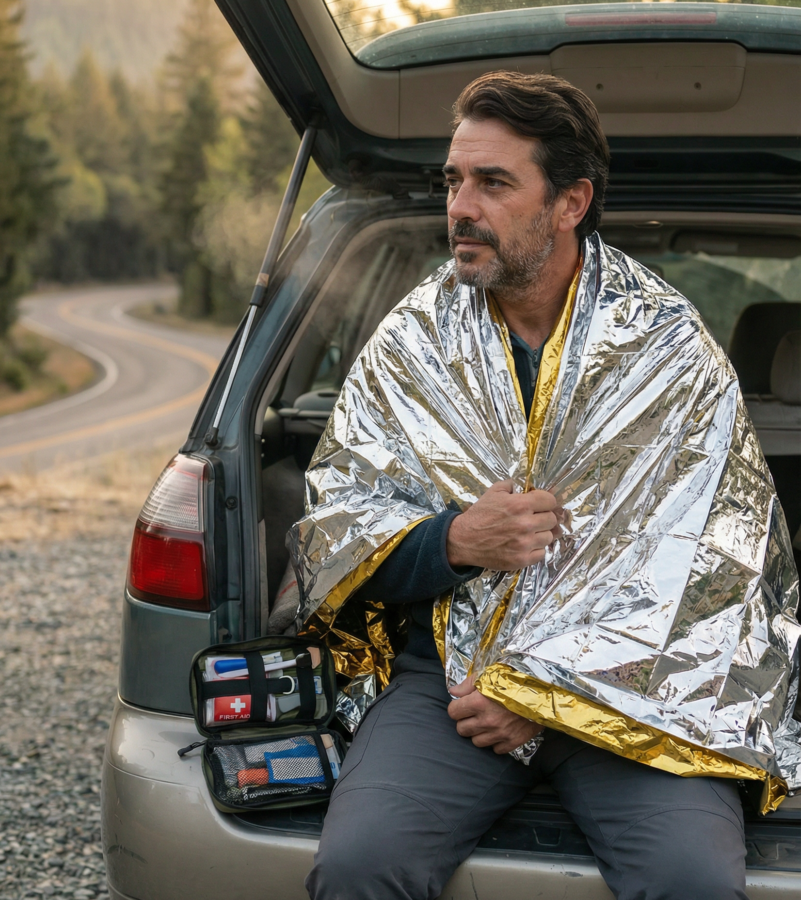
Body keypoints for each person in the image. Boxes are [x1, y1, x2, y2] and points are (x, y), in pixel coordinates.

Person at [289, 71, 799, 900]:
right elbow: (335, 532)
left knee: (694, 882)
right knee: (357, 868)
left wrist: (543, 697)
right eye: (453, 181)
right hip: (449, 687)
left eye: (493, 183)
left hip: (637, 694)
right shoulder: (411, 343)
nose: (461, 207)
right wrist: (454, 541)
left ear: (571, 202)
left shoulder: (667, 347)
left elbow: (711, 585)